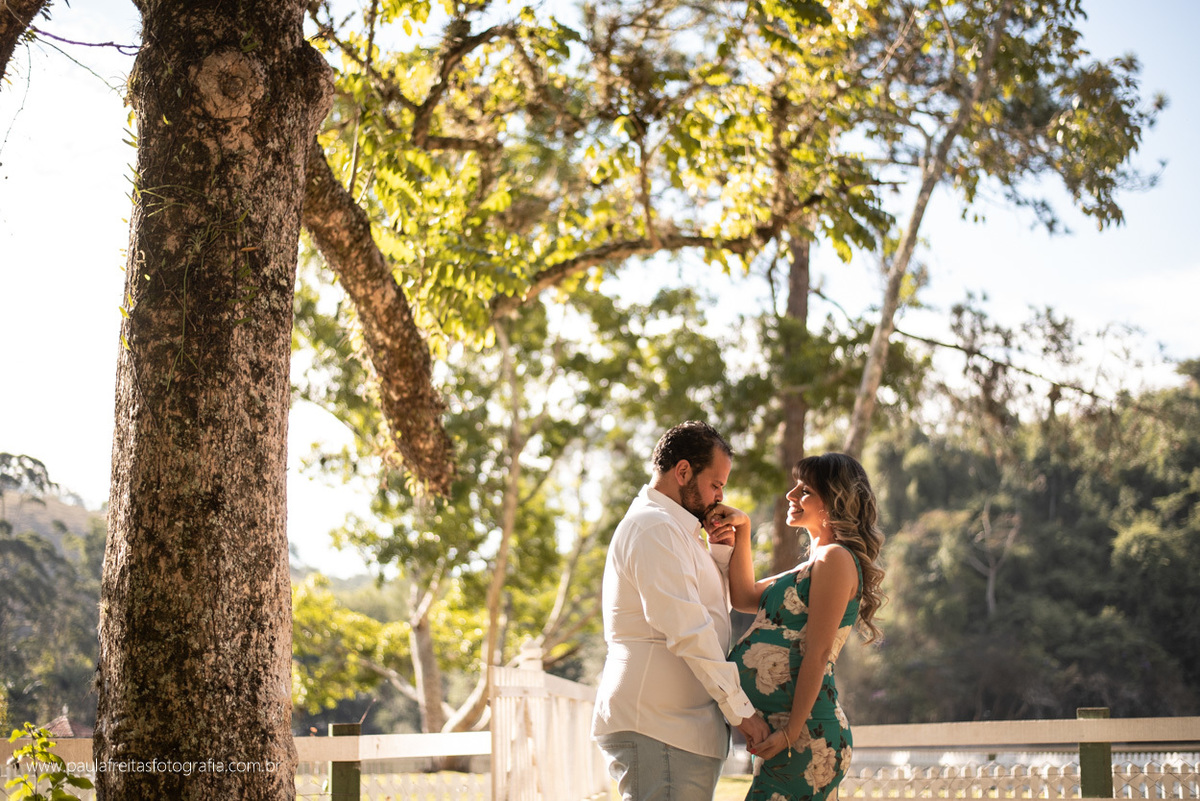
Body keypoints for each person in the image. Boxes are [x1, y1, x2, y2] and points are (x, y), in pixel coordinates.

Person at [592, 421, 772, 801]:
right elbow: (688, 629)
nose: (720, 497)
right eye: (716, 484)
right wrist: (741, 711)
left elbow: (710, 613)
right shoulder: (653, 528)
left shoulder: (676, 531)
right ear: (684, 471)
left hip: (674, 730)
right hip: (660, 728)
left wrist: (720, 554)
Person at [706, 453, 886, 801]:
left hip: (806, 734)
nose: (790, 495)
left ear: (833, 502)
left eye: (805, 491)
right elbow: (743, 596)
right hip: (790, 732)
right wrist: (743, 529)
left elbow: (817, 653)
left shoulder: (835, 559)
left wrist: (790, 732)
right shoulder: (812, 565)